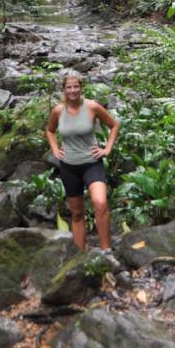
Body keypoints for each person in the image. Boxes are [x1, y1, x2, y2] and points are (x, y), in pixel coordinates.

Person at [46, 71, 120, 252]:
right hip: (69, 166)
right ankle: (80, 255)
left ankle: (106, 251)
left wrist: (107, 149)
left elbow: (114, 125)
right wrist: (55, 149)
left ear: (81, 88)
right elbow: (49, 130)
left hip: (91, 163)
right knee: (77, 213)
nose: (73, 90)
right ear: (64, 90)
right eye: (69, 87)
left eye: (76, 86)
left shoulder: (92, 107)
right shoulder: (58, 111)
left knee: (100, 203)